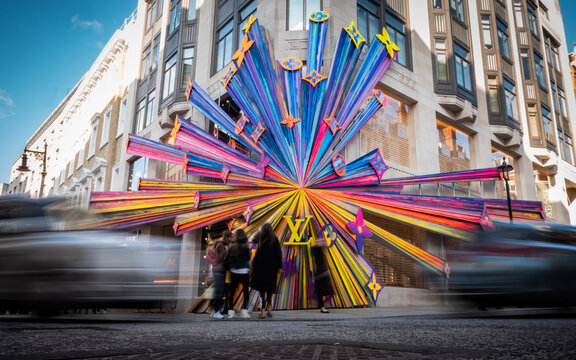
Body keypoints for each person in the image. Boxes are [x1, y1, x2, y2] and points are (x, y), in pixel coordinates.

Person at [250, 223, 282, 319]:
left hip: (260, 268)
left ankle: (262, 312)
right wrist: (279, 266)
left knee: (262, 291)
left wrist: (259, 233)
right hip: (271, 268)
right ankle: (269, 309)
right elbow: (279, 254)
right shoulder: (274, 239)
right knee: (270, 290)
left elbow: (253, 240)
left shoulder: (260, 238)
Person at [225, 229, 251, 319]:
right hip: (244, 271)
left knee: (232, 292)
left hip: (233, 271)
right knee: (245, 292)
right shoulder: (246, 246)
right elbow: (248, 258)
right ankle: (244, 311)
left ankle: (231, 311)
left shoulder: (232, 246)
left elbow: (227, 258)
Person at [210, 230, 232, 319]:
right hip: (218, 270)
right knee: (219, 291)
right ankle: (216, 312)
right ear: (227, 237)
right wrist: (226, 251)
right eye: (230, 237)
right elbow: (219, 258)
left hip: (222, 270)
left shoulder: (226, 245)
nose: (231, 239)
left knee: (220, 291)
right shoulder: (221, 245)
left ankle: (214, 311)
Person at [311, 245, 333, 313]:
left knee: (323, 290)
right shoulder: (316, 252)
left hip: (322, 272)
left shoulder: (321, 252)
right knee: (321, 290)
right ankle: (322, 307)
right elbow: (318, 261)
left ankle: (322, 307)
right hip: (320, 272)